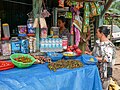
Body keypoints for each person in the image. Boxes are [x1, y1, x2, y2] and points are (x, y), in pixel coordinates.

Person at [85, 26, 116, 90]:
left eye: (97, 32)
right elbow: (94, 52)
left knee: (102, 88)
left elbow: (107, 59)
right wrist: (89, 53)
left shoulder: (109, 45)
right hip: (97, 70)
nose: (96, 34)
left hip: (105, 72)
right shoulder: (98, 43)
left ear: (102, 34)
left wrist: (95, 58)